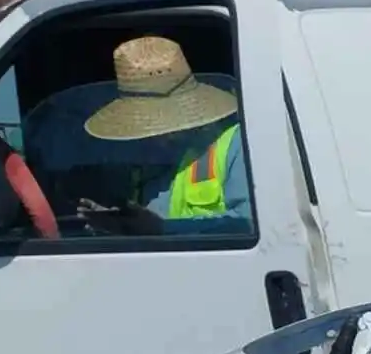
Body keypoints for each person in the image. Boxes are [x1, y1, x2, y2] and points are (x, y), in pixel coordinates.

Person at [79, 35, 249, 234]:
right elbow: (149, 221)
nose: (153, 133)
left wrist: (164, 228)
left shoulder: (235, 143)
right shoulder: (142, 155)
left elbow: (248, 224)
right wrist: (123, 227)